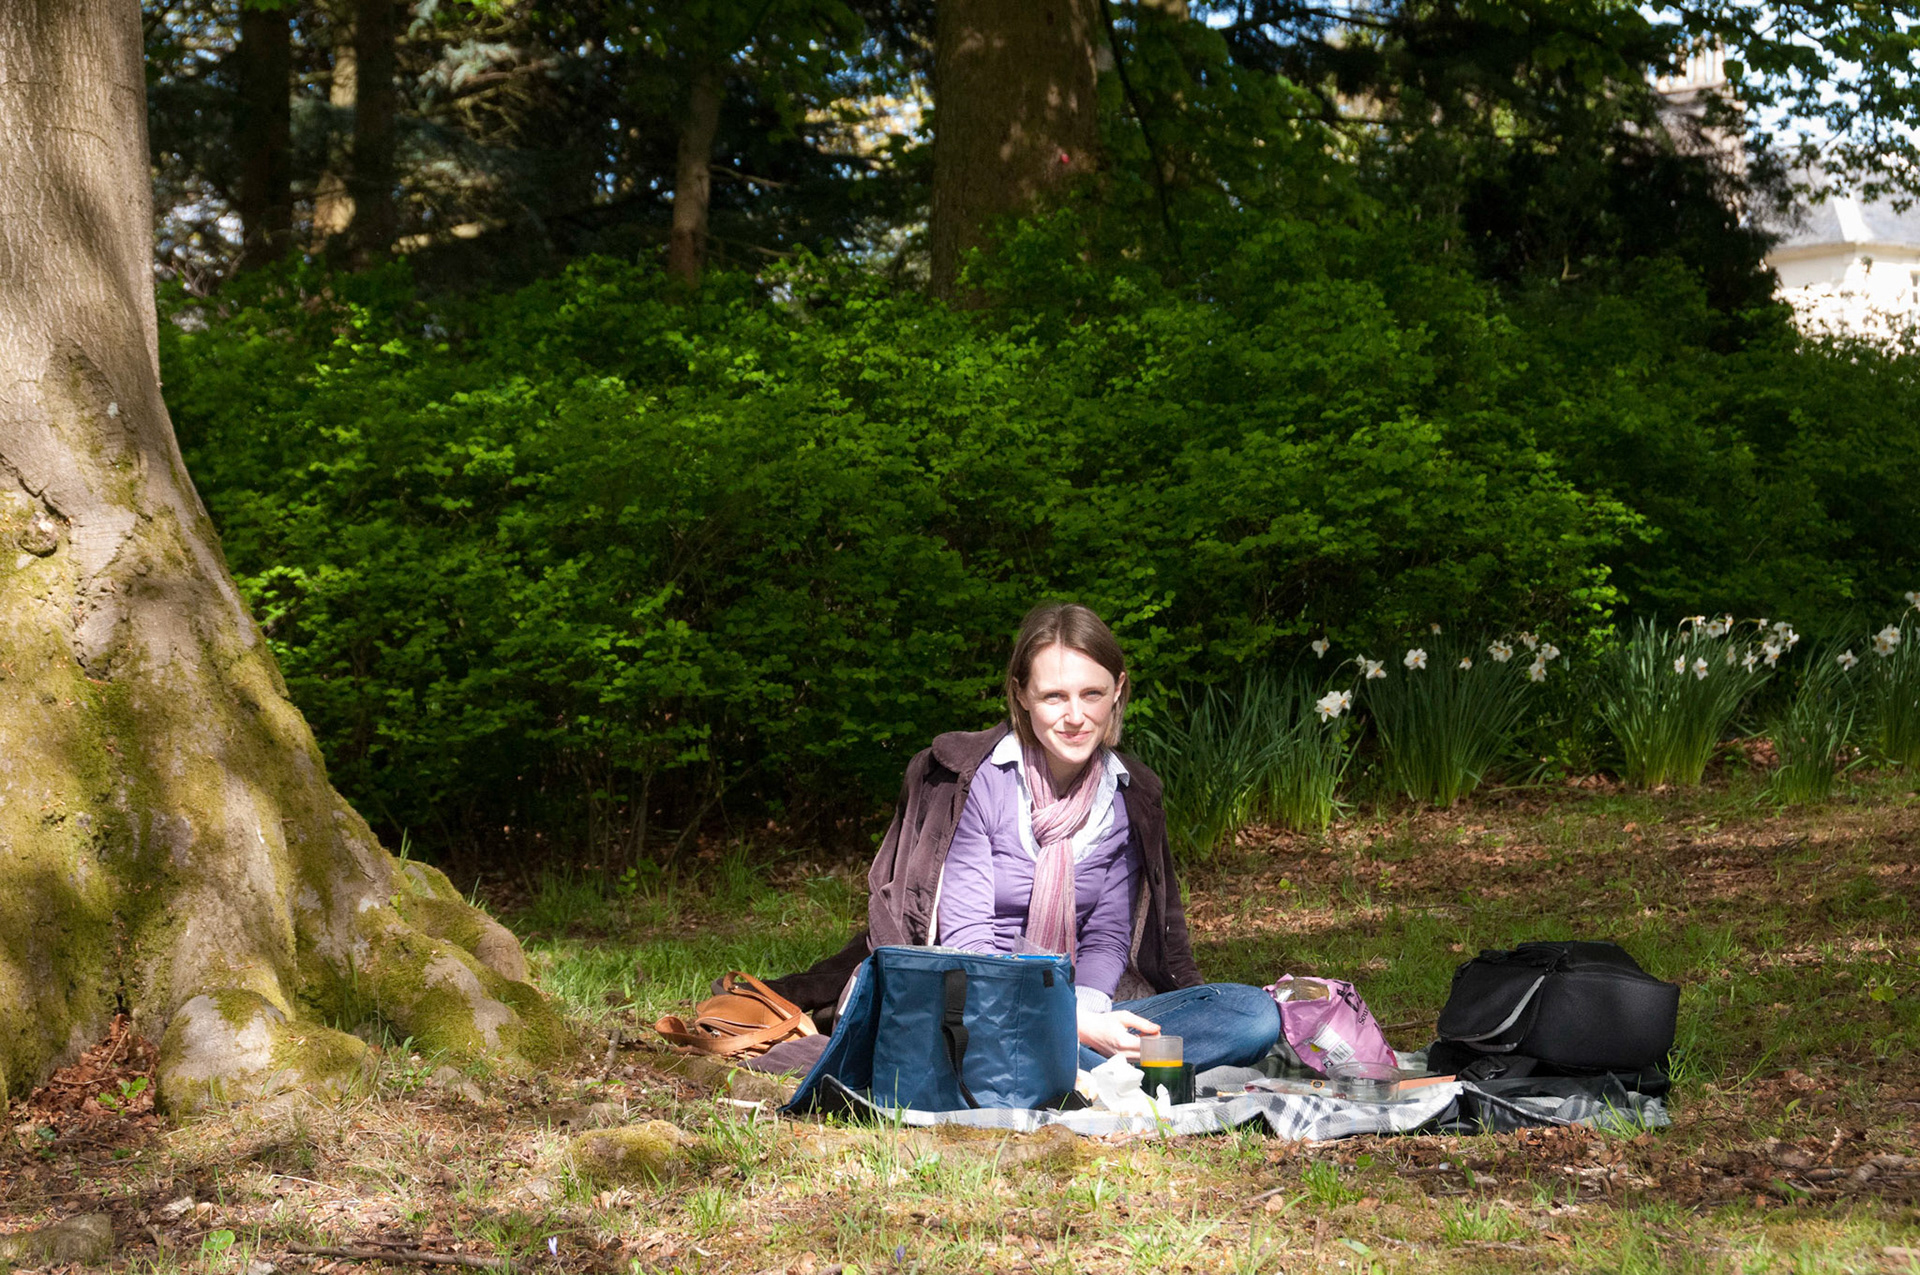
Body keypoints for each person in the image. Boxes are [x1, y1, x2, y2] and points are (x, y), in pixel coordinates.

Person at [768, 602, 1280, 1074]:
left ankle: (1076, 1066)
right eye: (1054, 696)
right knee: (990, 1038)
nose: (1076, 716)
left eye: (1092, 694)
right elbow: (968, 944)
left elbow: (1106, 938)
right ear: (1020, 694)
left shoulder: (1128, 795)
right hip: (974, 1003)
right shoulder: (978, 782)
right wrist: (1064, 1023)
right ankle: (1086, 1066)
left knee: (1253, 1015)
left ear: (1118, 689)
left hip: (1081, 1004)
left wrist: (1089, 1012)